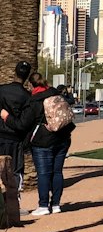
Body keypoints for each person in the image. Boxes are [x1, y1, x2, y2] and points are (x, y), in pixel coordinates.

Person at [1, 70, 75, 216]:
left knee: (43, 173)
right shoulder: (56, 94)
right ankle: (56, 205)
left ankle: (43, 205)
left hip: (43, 142)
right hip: (63, 139)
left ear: (31, 84)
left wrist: (6, 117)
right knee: (57, 172)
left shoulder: (34, 101)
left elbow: (22, 124)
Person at [0, 60, 33, 190]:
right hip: (15, 140)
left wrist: (6, 117)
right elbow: (23, 124)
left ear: (15, 72)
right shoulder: (27, 97)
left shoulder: (2, 90)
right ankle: (14, 204)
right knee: (15, 172)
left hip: (2, 135)